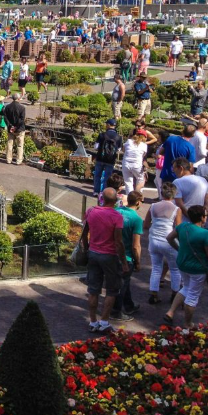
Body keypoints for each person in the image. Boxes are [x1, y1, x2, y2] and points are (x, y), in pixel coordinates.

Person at [80, 187, 127, 334]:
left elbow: (84, 233)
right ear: (115, 200)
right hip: (109, 256)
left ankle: (93, 321)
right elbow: (118, 242)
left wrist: (88, 248)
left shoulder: (91, 211)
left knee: (93, 290)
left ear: (102, 199)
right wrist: (124, 262)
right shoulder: (117, 217)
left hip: (93, 253)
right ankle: (104, 321)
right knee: (112, 290)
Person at [165, 205, 208, 328]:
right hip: (197, 268)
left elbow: (169, 238)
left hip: (182, 264)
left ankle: (170, 312)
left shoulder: (183, 226)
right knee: (192, 296)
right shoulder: (205, 234)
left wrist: (179, 248)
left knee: (186, 287)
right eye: (206, 215)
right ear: (202, 218)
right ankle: (188, 323)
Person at [144, 182, 182, 305]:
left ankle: (153, 294)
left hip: (154, 240)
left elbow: (145, 224)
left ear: (161, 193)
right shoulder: (176, 209)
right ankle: (175, 294)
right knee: (175, 269)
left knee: (156, 268)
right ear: (174, 194)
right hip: (168, 241)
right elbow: (179, 228)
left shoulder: (153, 206)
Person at [110, 191, 143, 321]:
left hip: (111, 252)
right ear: (138, 202)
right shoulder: (136, 219)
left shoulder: (116, 211)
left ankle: (129, 305)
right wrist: (138, 262)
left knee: (125, 281)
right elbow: (136, 245)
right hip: (126, 256)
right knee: (122, 284)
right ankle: (116, 311)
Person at [171, 157, 208, 224]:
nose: (173, 171)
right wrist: (202, 217)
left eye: (174, 168)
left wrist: (192, 218)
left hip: (183, 222)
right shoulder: (203, 180)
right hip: (199, 223)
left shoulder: (177, 182)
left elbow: (179, 204)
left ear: (181, 168)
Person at [93, 118, 122, 195]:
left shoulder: (102, 135)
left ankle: (96, 191)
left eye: (106, 124)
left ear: (109, 125)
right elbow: (119, 149)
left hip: (100, 158)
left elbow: (96, 147)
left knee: (97, 175)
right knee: (107, 177)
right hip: (111, 160)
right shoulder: (119, 137)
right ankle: (104, 193)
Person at [2, 93, 26, 165]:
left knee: (10, 144)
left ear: (12, 98)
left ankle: (8, 159)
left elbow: (5, 118)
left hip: (10, 128)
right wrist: (16, 126)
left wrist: (11, 125)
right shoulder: (22, 107)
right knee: (20, 145)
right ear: (18, 99)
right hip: (19, 129)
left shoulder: (7, 107)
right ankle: (18, 160)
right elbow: (22, 119)